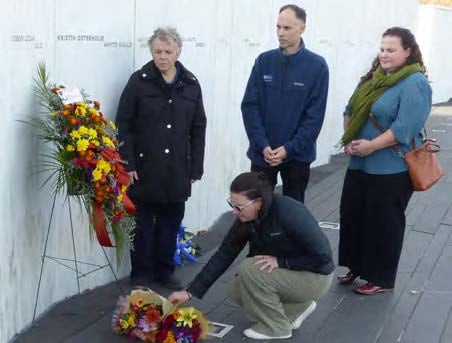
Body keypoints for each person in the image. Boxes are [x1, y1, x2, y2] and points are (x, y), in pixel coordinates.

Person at [168, 172, 334, 340]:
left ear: (258, 202)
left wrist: (282, 262)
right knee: (237, 288)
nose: (234, 211)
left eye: (238, 206)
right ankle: (297, 309)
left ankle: (276, 328)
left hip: (315, 277)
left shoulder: (291, 212)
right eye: (231, 204)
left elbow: (324, 258)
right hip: (292, 274)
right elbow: (224, 254)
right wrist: (190, 292)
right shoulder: (247, 217)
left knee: (250, 268)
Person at [337, 27, 432, 295]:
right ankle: (356, 266)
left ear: (408, 52)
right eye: (382, 49)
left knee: (384, 223)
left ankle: (380, 277)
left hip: (392, 168)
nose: (384, 55)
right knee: (354, 216)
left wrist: (370, 146)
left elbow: (405, 127)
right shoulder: (372, 78)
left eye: (391, 50)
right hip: (360, 164)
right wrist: (349, 139)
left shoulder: (415, 82)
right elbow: (350, 110)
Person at [115, 27, 207, 289]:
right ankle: (141, 274)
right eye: (157, 51)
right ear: (151, 51)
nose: (162, 57)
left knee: (170, 222)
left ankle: (165, 271)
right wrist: (127, 163)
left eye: (168, 51)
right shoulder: (138, 81)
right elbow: (124, 123)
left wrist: (195, 167)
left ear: (178, 51)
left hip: (178, 168)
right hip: (144, 167)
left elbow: (198, 127)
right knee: (142, 225)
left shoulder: (190, 83)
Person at [241, 4, 329, 203]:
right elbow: (250, 106)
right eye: (278, 27)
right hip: (263, 154)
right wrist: (263, 145)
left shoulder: (317, 66)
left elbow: (314, 117)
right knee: (258, 210)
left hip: (297, 157)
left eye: (287, 28)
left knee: (293, 213)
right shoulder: (264, 61)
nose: (280, 33)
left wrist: (289, 148)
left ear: (302, 28)